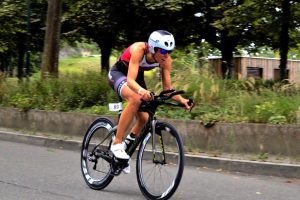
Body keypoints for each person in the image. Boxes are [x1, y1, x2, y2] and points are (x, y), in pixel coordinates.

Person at [108, 30, 193, 170]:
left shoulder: (166, 60)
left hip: (136, 76)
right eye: (163, 51)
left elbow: (167, 90)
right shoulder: (138, 49)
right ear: (153, 48)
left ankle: (125, 147)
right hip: (119, 73)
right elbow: (130, 81)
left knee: (145, 118)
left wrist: (182, 100)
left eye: (169, 51)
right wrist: (142, 91)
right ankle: (117, 143)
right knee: (135, 99)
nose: (166, 55)